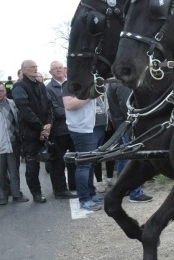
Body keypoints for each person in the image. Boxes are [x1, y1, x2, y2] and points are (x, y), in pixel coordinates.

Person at [12, 60, 68, 202]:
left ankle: (60, 190)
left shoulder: (40, 85)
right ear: (24, 70)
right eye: (32, 67)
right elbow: (24, 110)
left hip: (47, 130)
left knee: (56, 160)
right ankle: (36, 193)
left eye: (36, 66)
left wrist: (48, 124)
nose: (35, 68)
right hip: (30, 133)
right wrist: (41, 127)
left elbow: (49, 106)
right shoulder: (19, 86)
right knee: (32, 165)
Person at [106, 81, 152, 203]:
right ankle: (135, 193)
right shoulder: (122, 84)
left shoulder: (113, 83)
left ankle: (123, 189)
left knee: (122, 158)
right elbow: (127, 107)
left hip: (120, 124)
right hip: (127, 124)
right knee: (133, 159)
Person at [64, 91, 105, 212]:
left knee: (91, 163)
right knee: (84, 165)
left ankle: (91, 193)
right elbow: (69, 105)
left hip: (98, 126)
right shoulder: (70, 83)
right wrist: (91, 94)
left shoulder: (96, 79)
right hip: (84, 129)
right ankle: (84, 198)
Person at [45, 61, 77, 196]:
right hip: (59, 130)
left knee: (74, 159)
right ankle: (60, 190)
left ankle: (74, 186)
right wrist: (73, 110)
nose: (59, 70)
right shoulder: (48, 88)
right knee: (58, 161)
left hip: (74, 128)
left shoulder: (72, 85)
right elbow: (55, 110)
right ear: (50, 72)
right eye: (55, 68)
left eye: (61, 68)